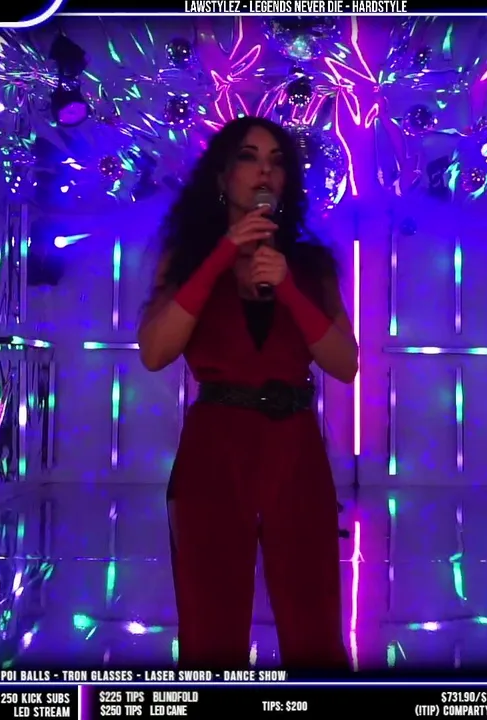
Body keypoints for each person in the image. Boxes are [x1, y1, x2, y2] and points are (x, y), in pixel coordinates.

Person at [138, 117, 357, 669]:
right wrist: (220, 256)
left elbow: (345, 364)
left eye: (277, 160)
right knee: (210, 621)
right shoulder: (187, 259)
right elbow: (155, 351)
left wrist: (290, 290)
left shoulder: (309, 264)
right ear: (221, 176)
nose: (264, 170)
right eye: (248, 157)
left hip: (295, 448)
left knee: (314, 621)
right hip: (216, 446)